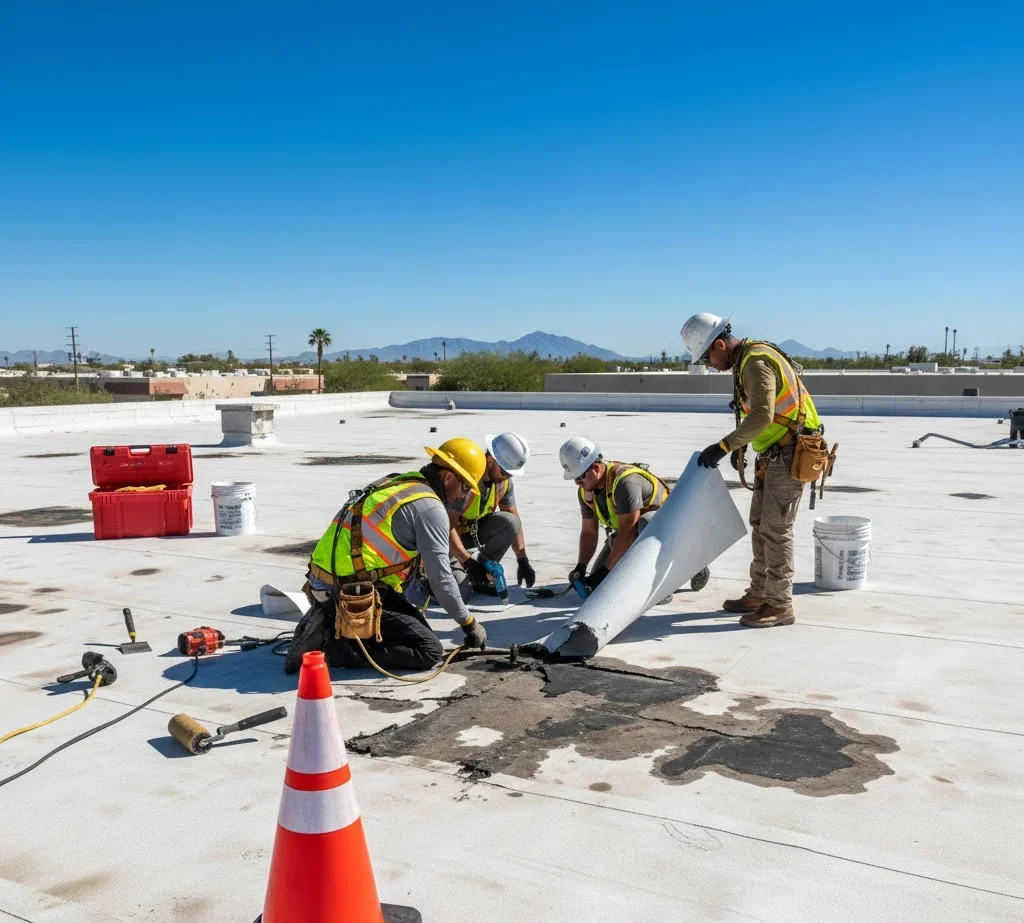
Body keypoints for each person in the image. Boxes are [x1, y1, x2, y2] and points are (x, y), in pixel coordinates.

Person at [285, 438, 489, 674]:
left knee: (412, 629)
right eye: (465, 487)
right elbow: (441, 579)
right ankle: (334, 646)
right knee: (428, 650)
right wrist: (469, 624)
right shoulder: (431, 508)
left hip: (325, 581)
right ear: (448, 477)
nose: (463, 497)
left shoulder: (399, 481)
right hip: (349, 591)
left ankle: (335, 622)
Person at [681, 312, 821, 628]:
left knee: (776, 530)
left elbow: (761, 416)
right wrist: (743, 447)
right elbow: (757, 415)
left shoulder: (755, 362)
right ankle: (759, 593)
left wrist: (724, 446)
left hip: (790, 452)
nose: (710, 364)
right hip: (775, 452)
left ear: (719, 344)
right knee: (761, 525)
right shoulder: (746, 359)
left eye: (707, 357)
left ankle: (779, 605)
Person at [558, 436, 710, 594]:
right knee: (602, 583)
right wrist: (581, 566)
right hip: (632, 530)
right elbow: (589, 532)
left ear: (595, 469)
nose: (577, 482)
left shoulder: (625, 483)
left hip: (667, 530)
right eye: (574, 478)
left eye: (579, 477)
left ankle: (682, 572)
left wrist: (602, 573)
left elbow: (628, 534)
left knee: (645, 523)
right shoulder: (585, 491)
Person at [450, 432, 537, 599]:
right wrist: (468, 563)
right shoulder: (467, 481)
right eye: (505, 471)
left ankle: (481, 575)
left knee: (510, 522)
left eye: (511, 474)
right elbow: (444, 528)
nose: (507, 477)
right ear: (490, 460)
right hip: (446, 542)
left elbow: (513, 516)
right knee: (460, 594)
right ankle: (428, 580)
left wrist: (522, 560)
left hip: (468, 538)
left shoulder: (502, 483)